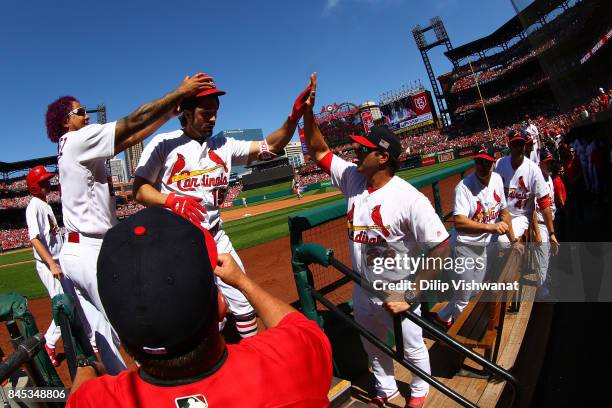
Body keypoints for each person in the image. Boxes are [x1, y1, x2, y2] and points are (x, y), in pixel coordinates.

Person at [66, 207, 332, 407]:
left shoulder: (95, 400)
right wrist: (242, 282)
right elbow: (300, 327)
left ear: (121, 336)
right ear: (220, 306)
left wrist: (85, 363)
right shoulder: (289, 360)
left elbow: (78, 395)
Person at [45, 72, 214, 374]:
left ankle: (126, 392)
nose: (86, 116)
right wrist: (178, 93)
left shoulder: (71, 145)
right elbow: (132, 121)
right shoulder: (77, 139)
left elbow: (131, 137)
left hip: (74, 252)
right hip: (90, 250)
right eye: (80, 112)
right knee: (135, 324)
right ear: (64, 121)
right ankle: (160, 386)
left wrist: (167, 113)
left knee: (104, 338)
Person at [302, 74, 449, 408]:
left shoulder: (409, 199)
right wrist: (308, 113)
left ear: (383, 157)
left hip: (398, 290)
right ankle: (386, 388)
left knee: (412, 348)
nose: (356, 150)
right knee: (372, 346)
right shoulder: (354, 179)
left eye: (364, 149)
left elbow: (442, 247)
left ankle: (420, 392)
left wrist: (411, 292)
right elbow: (319, 149)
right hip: (362, 287)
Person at [133, 74, 315, 339]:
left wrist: (294, 117)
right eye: (206, 113)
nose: (213, 119)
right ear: (185, 111)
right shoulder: (164, 144)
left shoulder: (224, 144)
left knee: (243, 303)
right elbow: (139, 189)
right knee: (195, 313)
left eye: (216, 112)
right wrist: (170, 200)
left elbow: (273, 146)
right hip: (178, 242)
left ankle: (249, 359)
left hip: (216, 236)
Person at [435, 145, 521, 326]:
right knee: (464, 298)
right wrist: (490, 228)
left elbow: (505, 212)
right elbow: (459, 222)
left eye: (486, 162)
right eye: (478, 161)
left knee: (472, 291)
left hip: (482, 246)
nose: (482, 166)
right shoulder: (464, 187)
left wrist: (513, 240)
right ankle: (459, 338)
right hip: (463, 248)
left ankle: (442, 316)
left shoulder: (497, 179)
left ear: (493, 163)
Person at [25, 166, 64, 366]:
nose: (48, 182)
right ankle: (49, 343)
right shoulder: (34, 206)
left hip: (58, 261)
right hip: (49, 265)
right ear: (34, 187)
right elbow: (34, 239)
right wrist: (51, 264)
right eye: (43, 181)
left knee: (70, 301)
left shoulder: (44, 204)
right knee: (63, 305)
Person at [495, 130, 558, 250]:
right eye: (515, 145)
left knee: (502, 241)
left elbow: (544, 202)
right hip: (502, 215)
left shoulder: (533, 169)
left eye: (521, 144)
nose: (519, 148)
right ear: (509, 146)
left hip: (521, 216)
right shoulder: (500, 164)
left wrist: (551, 233)